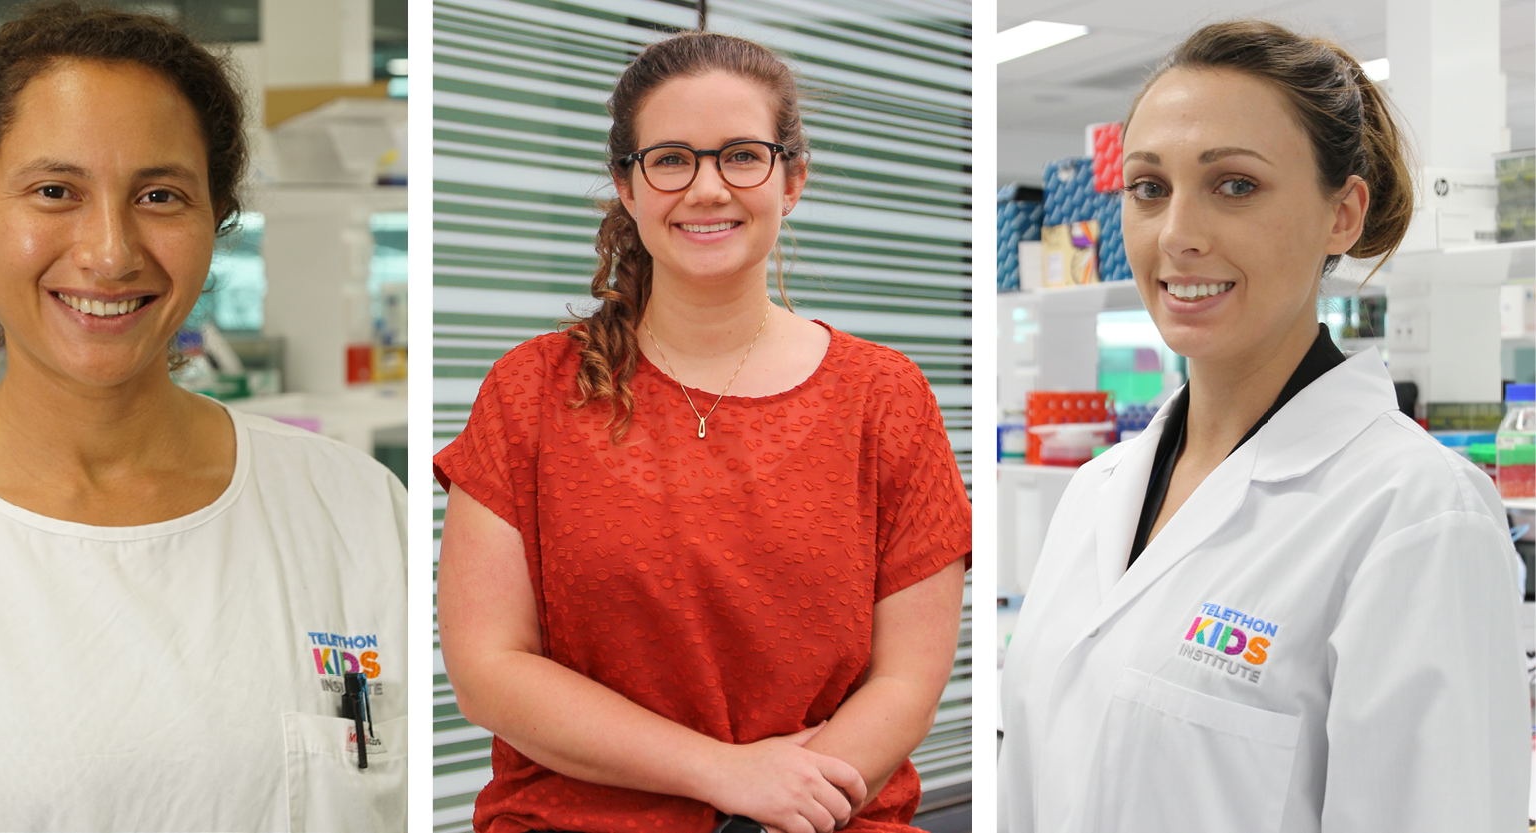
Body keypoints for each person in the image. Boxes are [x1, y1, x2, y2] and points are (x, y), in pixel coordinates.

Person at [0, 4, 407, 830]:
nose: (110, 251)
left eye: (159, 194)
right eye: (55, 191)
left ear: (213, 218)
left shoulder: (360, 512)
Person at [998, 19, 1528, 833]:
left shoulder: (1415, 514)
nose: (1177, 233)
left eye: (1234, 185)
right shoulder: (1095, 492)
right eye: (1148, 188)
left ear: (1341, 214)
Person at [434, 31, 971, 833]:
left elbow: (906, 681)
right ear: (628, 184)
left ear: (791, 179)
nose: (707, 188)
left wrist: (780, 809)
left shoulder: (883, 397)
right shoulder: (531, 391)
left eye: (741, 156)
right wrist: (726, 774)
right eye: (671, 159)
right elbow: (487, 669)